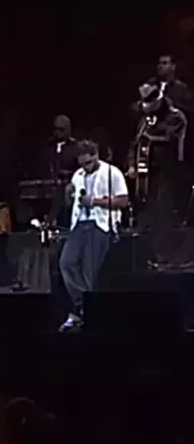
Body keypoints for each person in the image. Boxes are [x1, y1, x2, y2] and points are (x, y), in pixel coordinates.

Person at [59, 140, 129, 332]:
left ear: (96, 155)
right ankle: (82, 306)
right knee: (66, 263)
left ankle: (81, 314)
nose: (86, 167)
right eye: (82, 164)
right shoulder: (78, 175)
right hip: (79, 224)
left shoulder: (112, 173)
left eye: (89, 163)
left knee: (89, 271)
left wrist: (95, 201)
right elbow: (70, 203)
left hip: (100, 224)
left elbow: (123, 201)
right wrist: (68, 194)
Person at [127, 82, 188, 268]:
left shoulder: (175, 117)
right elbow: (135, 144)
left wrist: (150, 139)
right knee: (148, 212)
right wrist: (132, 164)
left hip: (169, 173)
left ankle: (166, 256)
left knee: (164, 211)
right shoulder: (145, 120)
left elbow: (171, 139)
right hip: (148, 174)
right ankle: (149, 256)